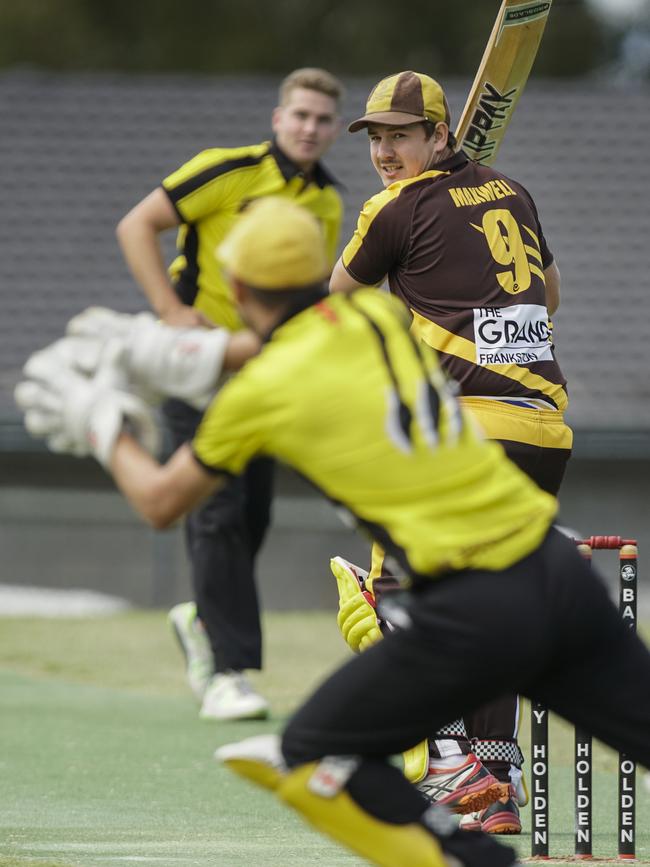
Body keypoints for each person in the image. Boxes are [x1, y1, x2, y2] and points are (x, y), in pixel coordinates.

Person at [15, 197, 650, 867]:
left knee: (314, 751)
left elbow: (159, 500)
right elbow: (296, 339)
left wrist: (102, 424)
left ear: (234, 289)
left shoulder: (260, 391)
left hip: (474, 607)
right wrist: (185, 353)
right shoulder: (376, 314)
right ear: (320, 271)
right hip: (559, 569)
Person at [328, 69, 573, 833]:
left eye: (401, 135)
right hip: (545, 426)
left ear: (440, 135)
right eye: (376, 138)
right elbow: (550, 296)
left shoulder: (392, 211)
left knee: (402, 573)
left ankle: (447, 749)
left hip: (469, 425)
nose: (385, 152)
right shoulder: (515, 192)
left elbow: (335, 310)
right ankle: (491, 779)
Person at [115, 67, 344, 721]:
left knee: (253, 516)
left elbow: (306, 298)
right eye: (300, 115)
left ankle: (200, 617)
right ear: (278, 119)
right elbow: (137, 224)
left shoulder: (326, 201)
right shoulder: (227, 169)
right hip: (199, 367)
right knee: (216, 509)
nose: (310, 127)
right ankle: (227, 671)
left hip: (266, 378)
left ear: (333, 129)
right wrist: (169, 313)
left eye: (323, 119)